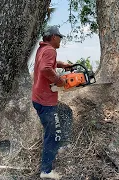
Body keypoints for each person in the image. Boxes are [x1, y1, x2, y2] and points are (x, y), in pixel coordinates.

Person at [31, 26, 72, 179]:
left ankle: (61, 145)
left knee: (66, 111)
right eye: (59, 37)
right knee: (52, 134)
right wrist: (59, 80)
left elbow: (48, 64)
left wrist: (62, 65)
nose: (61, 40)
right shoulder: (50, 50)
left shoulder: (43, 49)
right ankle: (46, 171)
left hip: (39, 97)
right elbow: (45, 69)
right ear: (54, 37)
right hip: (45, 102)